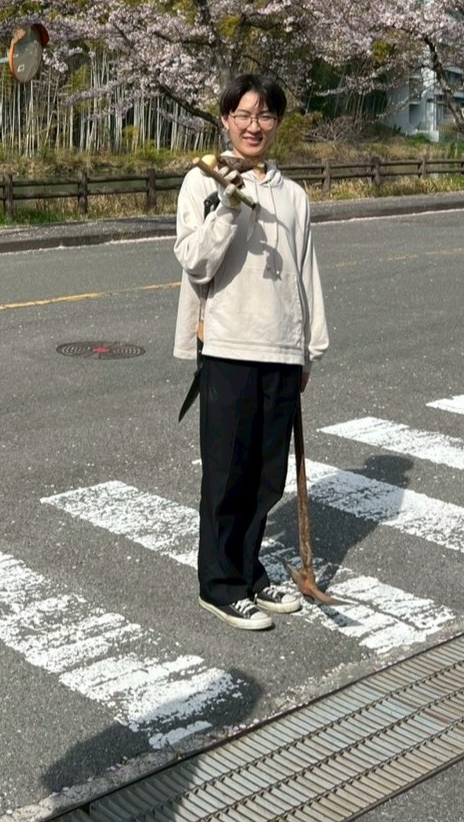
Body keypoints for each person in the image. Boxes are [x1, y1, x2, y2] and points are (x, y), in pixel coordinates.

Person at [173, 74, 329, 631]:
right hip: (228, 344)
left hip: (281, 347)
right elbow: (194, 261)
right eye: (242, 115)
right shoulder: (204, 180)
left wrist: (309, 347)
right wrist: (228, 208)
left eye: (264, 115)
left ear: (277, 123)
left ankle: (247, 568)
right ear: (225, 120)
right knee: (227, 472)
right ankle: (219, 584)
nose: (253, 126)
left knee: (266, 476)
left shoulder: (294, 195)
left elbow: (305, 272)